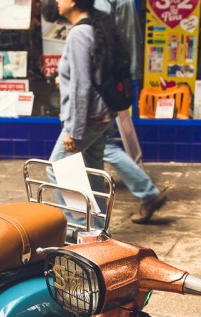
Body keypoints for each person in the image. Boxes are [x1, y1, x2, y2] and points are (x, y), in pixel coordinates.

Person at [94, 0, 166, 223]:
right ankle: (95, 211)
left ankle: (146, 192)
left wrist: (128, 76)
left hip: (103, 82)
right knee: (97, 146)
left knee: (100, 145)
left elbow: (120, 39)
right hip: (107, 80)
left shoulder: (110, 4)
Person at [48, 0, 122, 179]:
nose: (57, 1)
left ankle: (68, 209)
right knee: (92, 171)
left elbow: (82, 85)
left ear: (73, 2)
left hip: (89, 117)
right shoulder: (95, 27)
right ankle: (98, 209)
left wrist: (73, 131)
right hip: (103, 112)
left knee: (56, 170)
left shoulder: (79, 34)